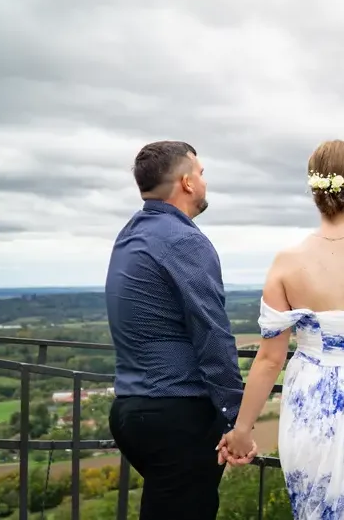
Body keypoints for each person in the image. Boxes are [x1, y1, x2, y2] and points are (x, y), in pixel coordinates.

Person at [218, 140, 344, 519]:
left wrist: (242, 430)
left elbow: (269, 360)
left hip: (311, 410)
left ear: (315, 192)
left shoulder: (286, 263)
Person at [105, 141, 255, 520]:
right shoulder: (184, 240)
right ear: (187, 182)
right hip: (176, 414)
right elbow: (212, 332)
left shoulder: (131, 234)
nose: (204, 181)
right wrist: (237, 420)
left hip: (130, 407)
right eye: (201, 173)